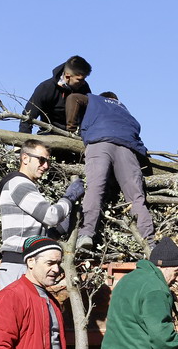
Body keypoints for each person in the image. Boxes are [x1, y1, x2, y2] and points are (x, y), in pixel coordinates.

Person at [63, 91, 155, 250]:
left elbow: (73, 98)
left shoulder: (95, 100)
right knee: (136, 197)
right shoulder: (126, 112)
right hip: (126, 148)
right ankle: (150, 243)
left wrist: (71, 127)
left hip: (99, 143)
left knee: (95, 188)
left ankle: (86, 234)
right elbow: (138, 139)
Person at [0, 140, 84, 289]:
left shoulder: (21, 184)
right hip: (19, 263)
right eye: (41, 160)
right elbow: (51, 216)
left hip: (24, 263)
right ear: (25, 158)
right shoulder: (19, 183)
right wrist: (69, 198)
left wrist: (56, 232)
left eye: (48, 162)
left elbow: (28, 228)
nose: (46, 166)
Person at [19, 56, 92, 134]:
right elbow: (27, 117)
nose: (83, 82)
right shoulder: (46, 88)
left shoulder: (84, 87)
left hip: (75, 135)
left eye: (84, 79)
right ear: (67, 76)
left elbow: (90, 112)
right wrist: (25, 139)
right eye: (79, 79)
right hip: (49, 133)